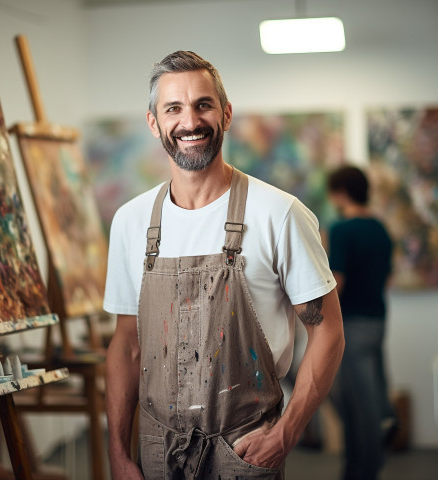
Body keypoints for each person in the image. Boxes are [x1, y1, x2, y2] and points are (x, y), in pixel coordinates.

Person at [104, 50, 344, 480]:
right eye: (173, 108)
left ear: (226, 114)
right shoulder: (131, 222)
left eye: (203, 104)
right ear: (154, 123)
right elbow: (126, 344)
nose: (190, 121)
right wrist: (119, 455)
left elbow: (328, 331)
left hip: (244, 451)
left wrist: (286, 433)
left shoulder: (279, 214)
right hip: (158, 454)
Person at [327, 165, 395, 480]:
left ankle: (366, 469)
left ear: (340, 192)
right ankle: (357, 467)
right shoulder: (380, 229)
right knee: (359, 400)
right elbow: (388, 277)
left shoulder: (341, 229)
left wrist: (314, 318)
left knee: (359, 405)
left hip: (352, 323)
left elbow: (336, 281)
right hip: (377, 321)